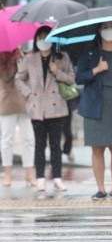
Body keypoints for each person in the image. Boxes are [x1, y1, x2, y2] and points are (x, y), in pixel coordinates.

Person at [76, 21, 112, 200]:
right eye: (105, 27)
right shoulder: (89, 53)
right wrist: (96, 70)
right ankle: (100, 188)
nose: (109, 31)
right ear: (99, 31)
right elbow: (79, 78)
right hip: (95, 104)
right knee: (97, 149)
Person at [16, 26, 75, 192]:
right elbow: (19, 78)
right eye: (40, 37)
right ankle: (40, 178)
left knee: (56, 145)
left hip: (57, 108)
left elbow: (71, 79)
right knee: (39, 145)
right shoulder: (30, 58)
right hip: (37, 108)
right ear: (36, 40)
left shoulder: (62, 58)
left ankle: (57, 178)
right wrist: (28, 94)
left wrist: (58, 72)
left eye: (46, 37)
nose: (43, 41)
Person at [0, 49, 36, 187]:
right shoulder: (2, 57)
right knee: (7, 139)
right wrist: (14, 64)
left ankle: (29, 173)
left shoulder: (25, 55)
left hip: (26, 102)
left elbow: (32, 76)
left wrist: (24, 59)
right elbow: (5, 77)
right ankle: (8, 173)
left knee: (28, 139)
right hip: (7, 102)